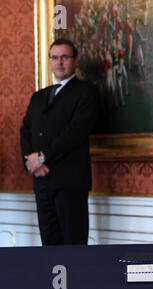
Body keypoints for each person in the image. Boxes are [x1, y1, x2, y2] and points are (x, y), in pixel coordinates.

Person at [20, 39, 99, 245]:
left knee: (73, 248)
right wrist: (31, 163)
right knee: (48, 246)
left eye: (65, 57)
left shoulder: (86, 91)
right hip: (41, 181)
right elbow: (25, 130)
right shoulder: (39, 96)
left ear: (75, 60)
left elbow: (76, 132)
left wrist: (42, 157)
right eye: (54, 57)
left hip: (70, 183)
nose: (59, 62)